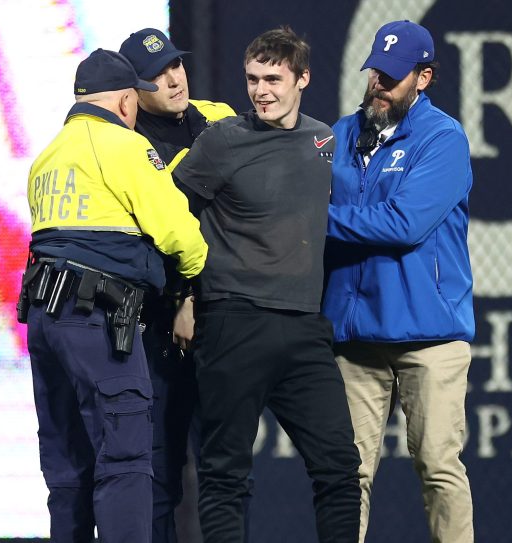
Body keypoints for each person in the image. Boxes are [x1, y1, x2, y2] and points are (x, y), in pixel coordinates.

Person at [173, 26, 361, 543]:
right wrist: (184, 297)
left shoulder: (325, 141)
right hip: (233, 322)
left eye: (273, 79)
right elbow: (171, 219)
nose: (261, 91)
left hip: (304, 327)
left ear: (302, 78)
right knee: (225, 473)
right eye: (253, 79)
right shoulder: (222, 141)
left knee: (341, 469)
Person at [19, 48, 208, 543]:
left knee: (67, 465)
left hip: (43, 319)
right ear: (127, 102)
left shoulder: (48, 156)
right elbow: (179, 234)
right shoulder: (125, 147)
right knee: (125, 458)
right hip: (96, 317)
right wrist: (190, 278)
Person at [322, 20, 475, 543]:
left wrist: (316, 219)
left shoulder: (443, 138)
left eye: (392, 75)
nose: (379, 84)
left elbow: (403, 224)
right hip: (355, 335)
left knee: (437, 466)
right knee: (348, 474)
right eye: (374, 73)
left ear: (424, 77)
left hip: (428, 334)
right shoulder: (340, 135)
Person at [118, 28, 235, 543]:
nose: (172, 79)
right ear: (132, 88)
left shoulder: (219, 119)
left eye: (175, 65)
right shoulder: (124, 144)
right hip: (154, 322)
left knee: (224, 469)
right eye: (157, 74)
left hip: (216, 315)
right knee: (159, 469)